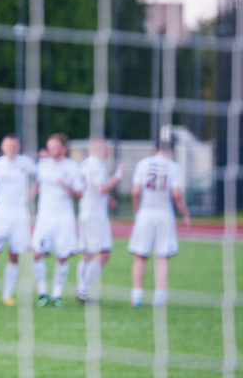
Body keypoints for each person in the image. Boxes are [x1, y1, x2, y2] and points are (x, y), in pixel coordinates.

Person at [128, 127, 191, 308]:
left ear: (156, 149)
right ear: (171, 150)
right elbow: (177, 194)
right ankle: (160, 299)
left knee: (140, 256)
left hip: (145, 213)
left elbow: (135, 191)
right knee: (162, 257)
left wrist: (136, 211)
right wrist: (185, 213)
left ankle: (136, 297)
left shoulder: (143, 163)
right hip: (165, 214)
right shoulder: (173, 166)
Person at [0, 135, 37, 307]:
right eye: (8, 145)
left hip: (20, 213)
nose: (11, 148)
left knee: (14, 254)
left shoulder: (26, 163)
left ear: (18, 147)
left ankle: (7, 295)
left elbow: (40, 179)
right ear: (2, 147)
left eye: (14, 145)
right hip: (1, 213)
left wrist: (30, 196)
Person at [31, 133, 84, 308]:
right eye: (49, 146)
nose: (51, 149)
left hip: (64, 217)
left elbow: (80, 193)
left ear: (63, 148)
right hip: (45, 216)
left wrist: (64, 185)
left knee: (62, 256)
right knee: (37, 253)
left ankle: (57, 295)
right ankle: (42, 293)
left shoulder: (73, 167)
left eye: (54, 146)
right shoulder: (42, 165)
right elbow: (36, 186)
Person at [75, 136, 125, 304]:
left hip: (87, 212)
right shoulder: (96, 164)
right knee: (103, 254)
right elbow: (102, 188)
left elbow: (93, 190)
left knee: (88, 253)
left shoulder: (86, 163)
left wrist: (106, 200)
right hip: (94, 216)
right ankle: (82, 290)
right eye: (105, 147)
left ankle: (82, 290)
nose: (108, 150)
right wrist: (118, 175)